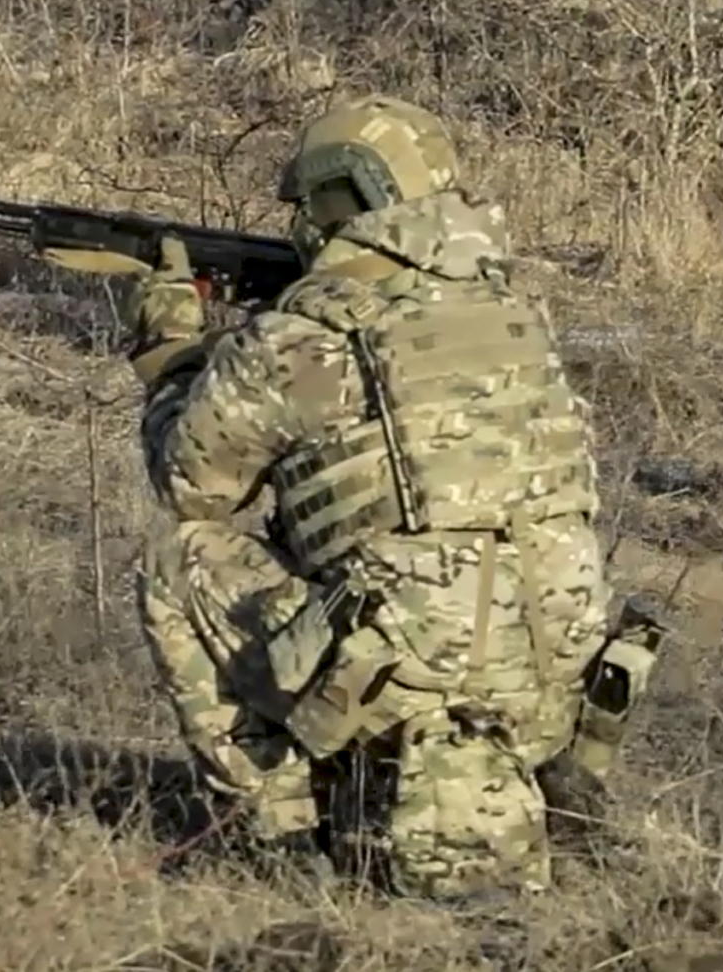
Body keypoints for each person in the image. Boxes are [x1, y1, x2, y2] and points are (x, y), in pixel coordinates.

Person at [115, 94, 642, 901]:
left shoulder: (310, 333)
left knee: (179, 558)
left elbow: (193, 483)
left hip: (399, 692)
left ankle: (276, 830)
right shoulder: (517, 312)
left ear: (341, 200)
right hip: (553, 702)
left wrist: (173, 353)